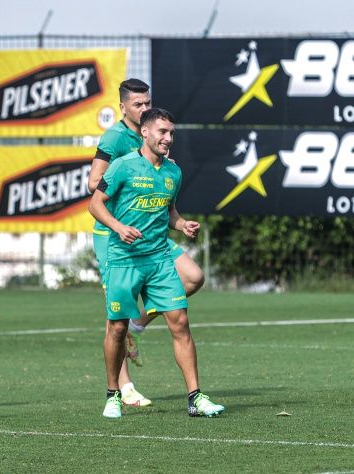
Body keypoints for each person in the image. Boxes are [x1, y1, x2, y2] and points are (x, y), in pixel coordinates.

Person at [88, 108, 225, 418]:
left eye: (172, 133)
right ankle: (113, 395)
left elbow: (169, 212)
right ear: (145, 132)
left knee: (180, 323)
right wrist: (118, 227)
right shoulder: (122, 166)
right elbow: (95, 204)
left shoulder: (173, 172)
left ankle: (195, 397)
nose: (168, 138)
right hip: (124, 260)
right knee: (117, 328)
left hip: (159, 259)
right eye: (163, 132)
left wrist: (182, 224)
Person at [89, 78, 204, 373]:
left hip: (150, 231)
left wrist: (179, 220)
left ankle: (137, 325)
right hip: (115, 234)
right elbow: (94, 183)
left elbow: (168, 206)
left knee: (193, 277)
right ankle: (123, 388)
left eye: (147, 103)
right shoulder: (115, 139)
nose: (144, 108)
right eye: (137, 104)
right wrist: (131, 173)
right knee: (116, 317)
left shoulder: (157, 137)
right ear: (123, 107)